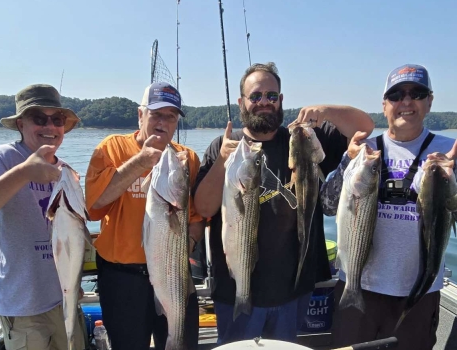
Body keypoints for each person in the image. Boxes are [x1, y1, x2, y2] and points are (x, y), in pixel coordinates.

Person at [192, 62, 374, 344]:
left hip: (294, 291)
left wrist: (324, 111)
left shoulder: (302, 138)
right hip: (237, 290)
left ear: (281, 101)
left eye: (271, 96)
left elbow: (364, 127)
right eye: (255, 96)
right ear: (241, 102)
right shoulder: (224, 146)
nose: (264, 102)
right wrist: (222, 163)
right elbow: (203, 208)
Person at [321, 64, 456, 350]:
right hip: (358, 286)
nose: (406, 102)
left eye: (416, 93)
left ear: (429, 101)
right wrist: (347, 159)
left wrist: (450, 185)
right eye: (396, 95)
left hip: (419, 293)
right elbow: (328, 205)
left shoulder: (449, 151)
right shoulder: (366, 149)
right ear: (384, 105)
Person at [85, 82, 206, 350]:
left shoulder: (187, 159)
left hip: (173, 273)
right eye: (156, 115)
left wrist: (186, 245)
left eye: (171, 116)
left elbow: (197, 220)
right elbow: (93, 207)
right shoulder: (111, 149)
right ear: (140, 115)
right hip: (122, 279)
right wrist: (140, 162)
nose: (163, 122)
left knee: (182, 344)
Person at [0, 84, 84, 349]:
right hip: (23, 308)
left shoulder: (67, 172)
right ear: (21, 124)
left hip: (64, 300)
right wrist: (24, 172)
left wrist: (77, 279)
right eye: (39, 118)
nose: (49, 126)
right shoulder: (3, 158)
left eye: (56, 119)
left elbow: (76, 234)